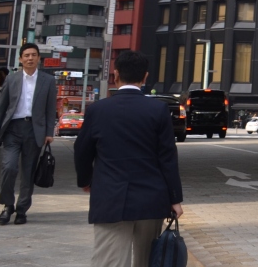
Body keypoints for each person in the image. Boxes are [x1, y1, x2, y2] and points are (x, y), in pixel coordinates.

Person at [75, 49, 183, 267]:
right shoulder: (158, 109)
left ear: (115, 74)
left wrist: (86, 180)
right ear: (145, 77)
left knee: (110, 261)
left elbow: (82, 150)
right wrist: (175, 199)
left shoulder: (98, 110)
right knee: (147, 260)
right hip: (151, 199)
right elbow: (168, 158)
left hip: (109, 198)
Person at [0, 43, 58, 225]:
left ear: (39, 58)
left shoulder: (48, 81)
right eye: (26, 55)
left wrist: (49, 132)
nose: (30, 58)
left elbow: (50, 109)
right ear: (20, 59)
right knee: (9, 167)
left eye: (33, 55)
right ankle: (7, 205)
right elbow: (1, 108)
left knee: (28, 172)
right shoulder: (12, 79)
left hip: (34, 130)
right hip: (12, 129)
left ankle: (22, 209)